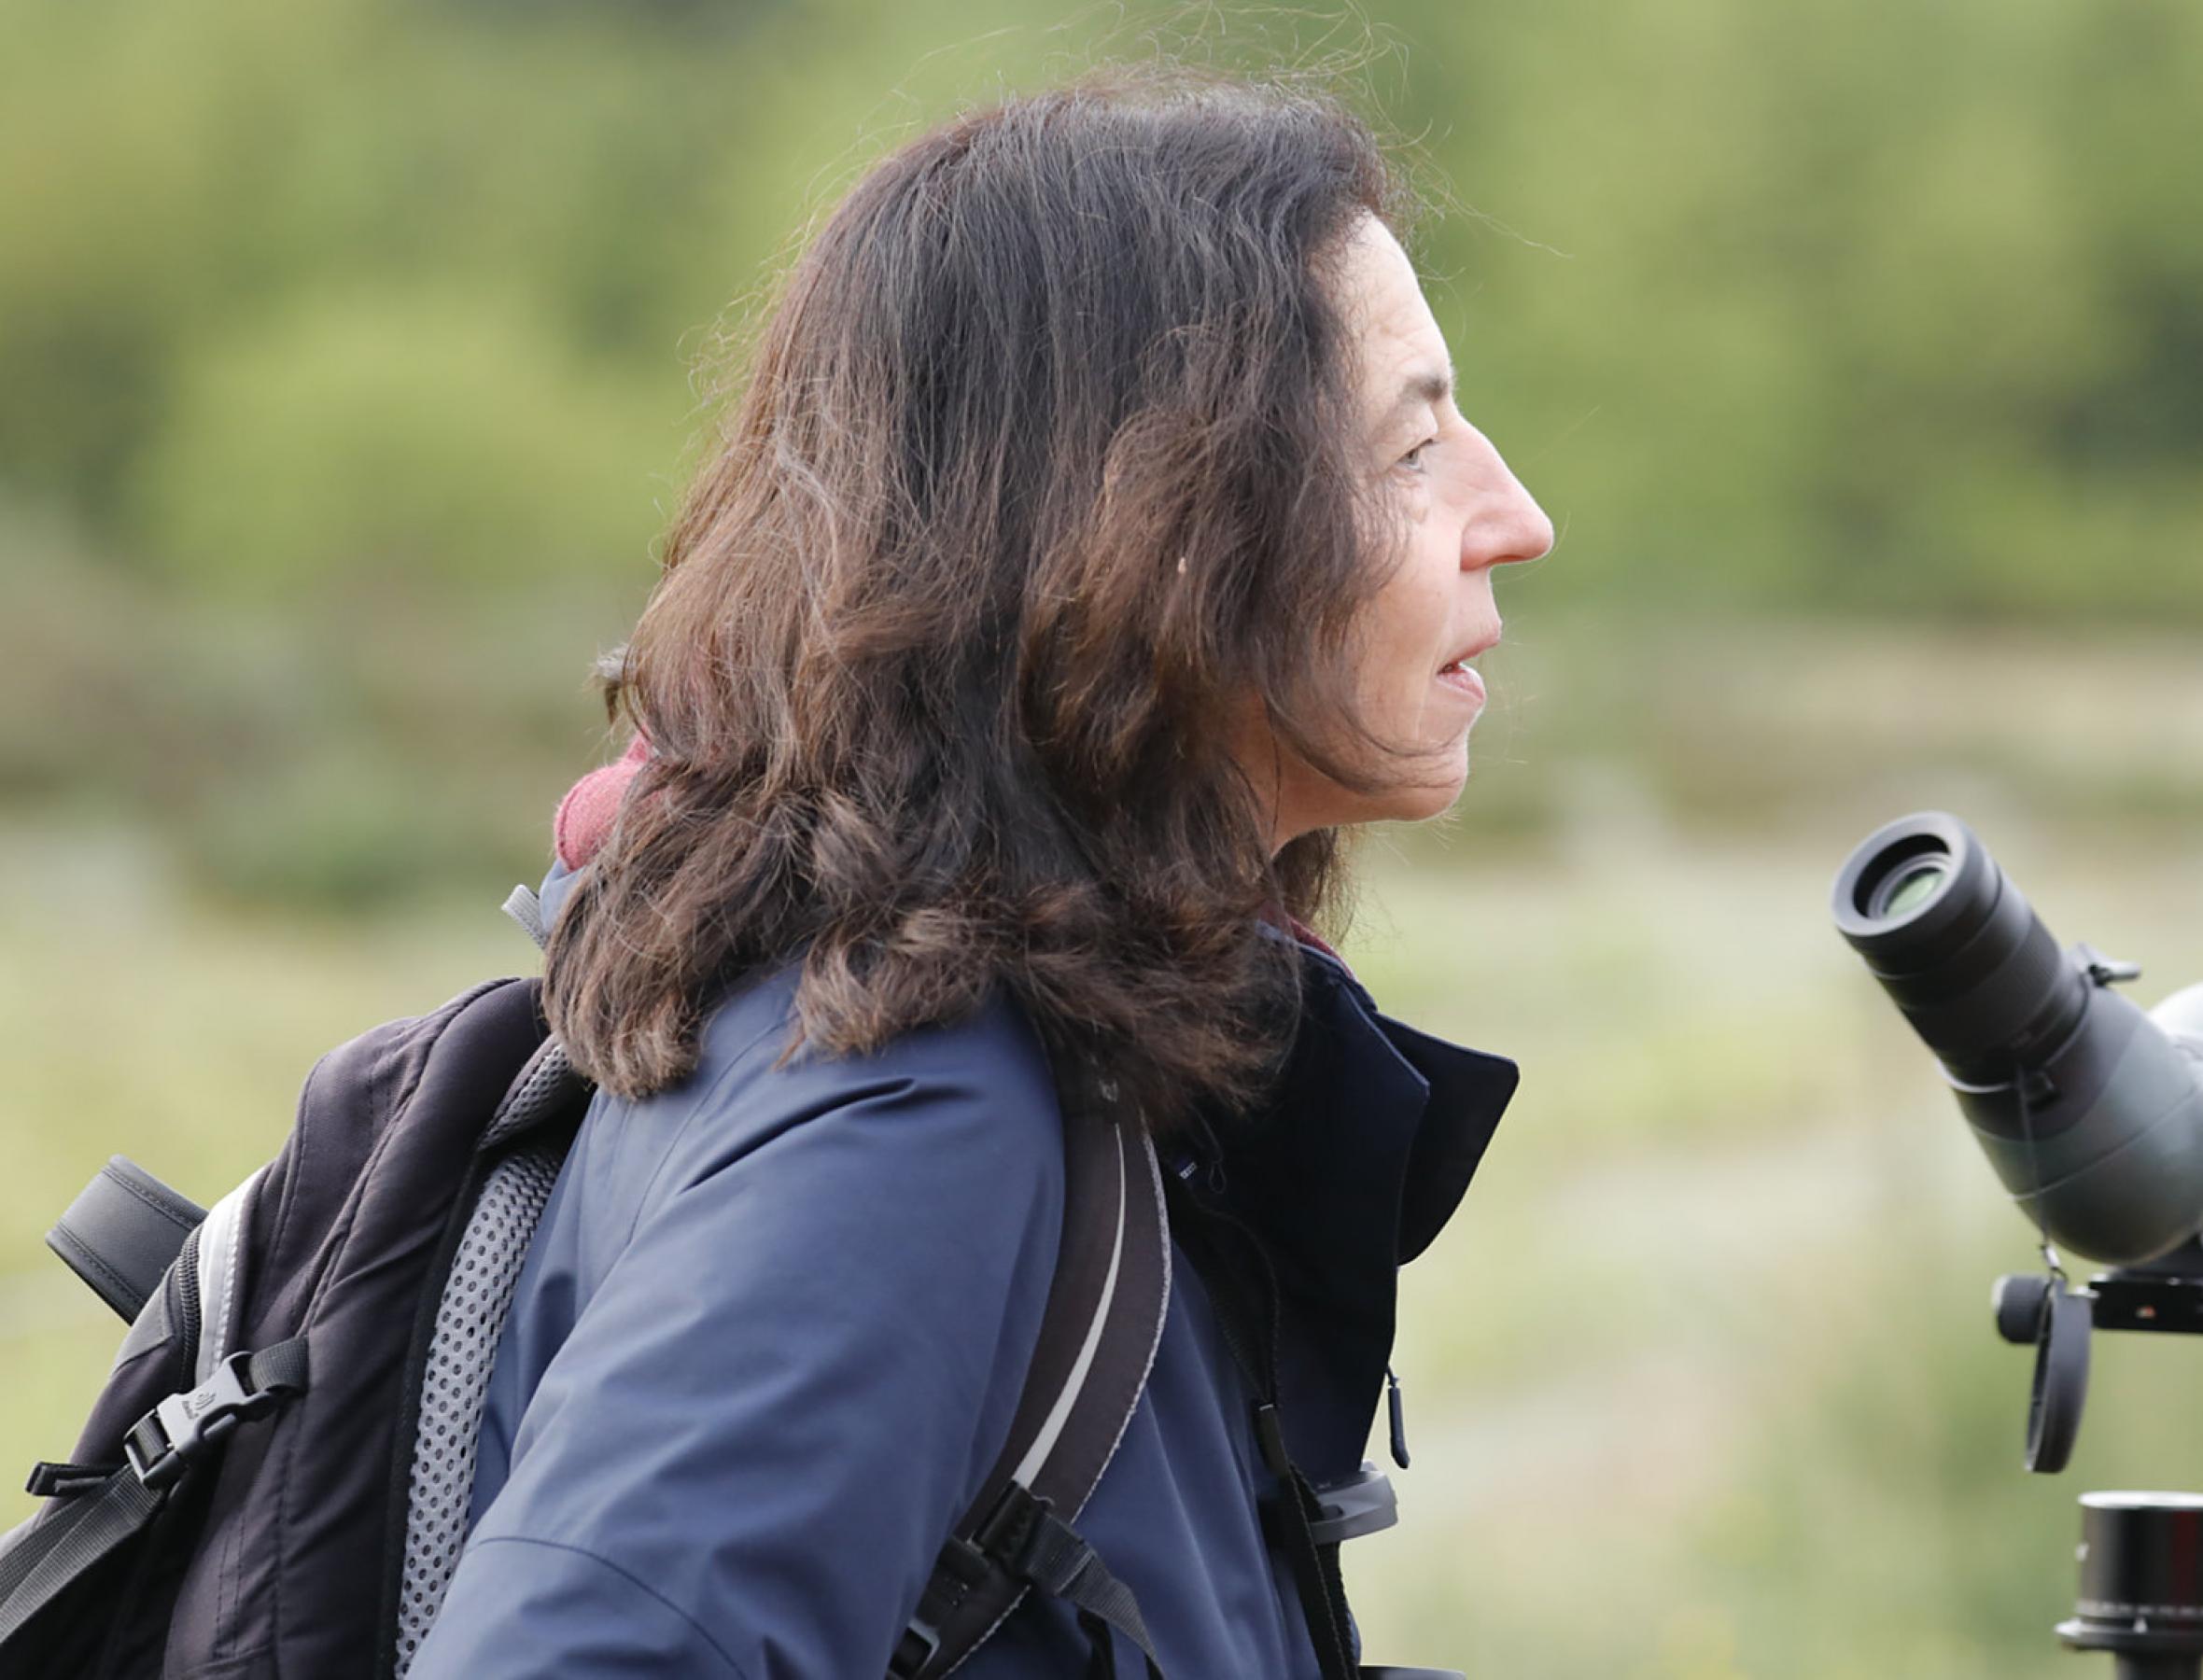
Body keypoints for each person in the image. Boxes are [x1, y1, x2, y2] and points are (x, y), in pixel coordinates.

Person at [408, 68, 1553, 1679]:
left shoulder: (1025, 1036)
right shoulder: (921, 1105)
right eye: (1412, 447)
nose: (1517, 517)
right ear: (1149, 525)